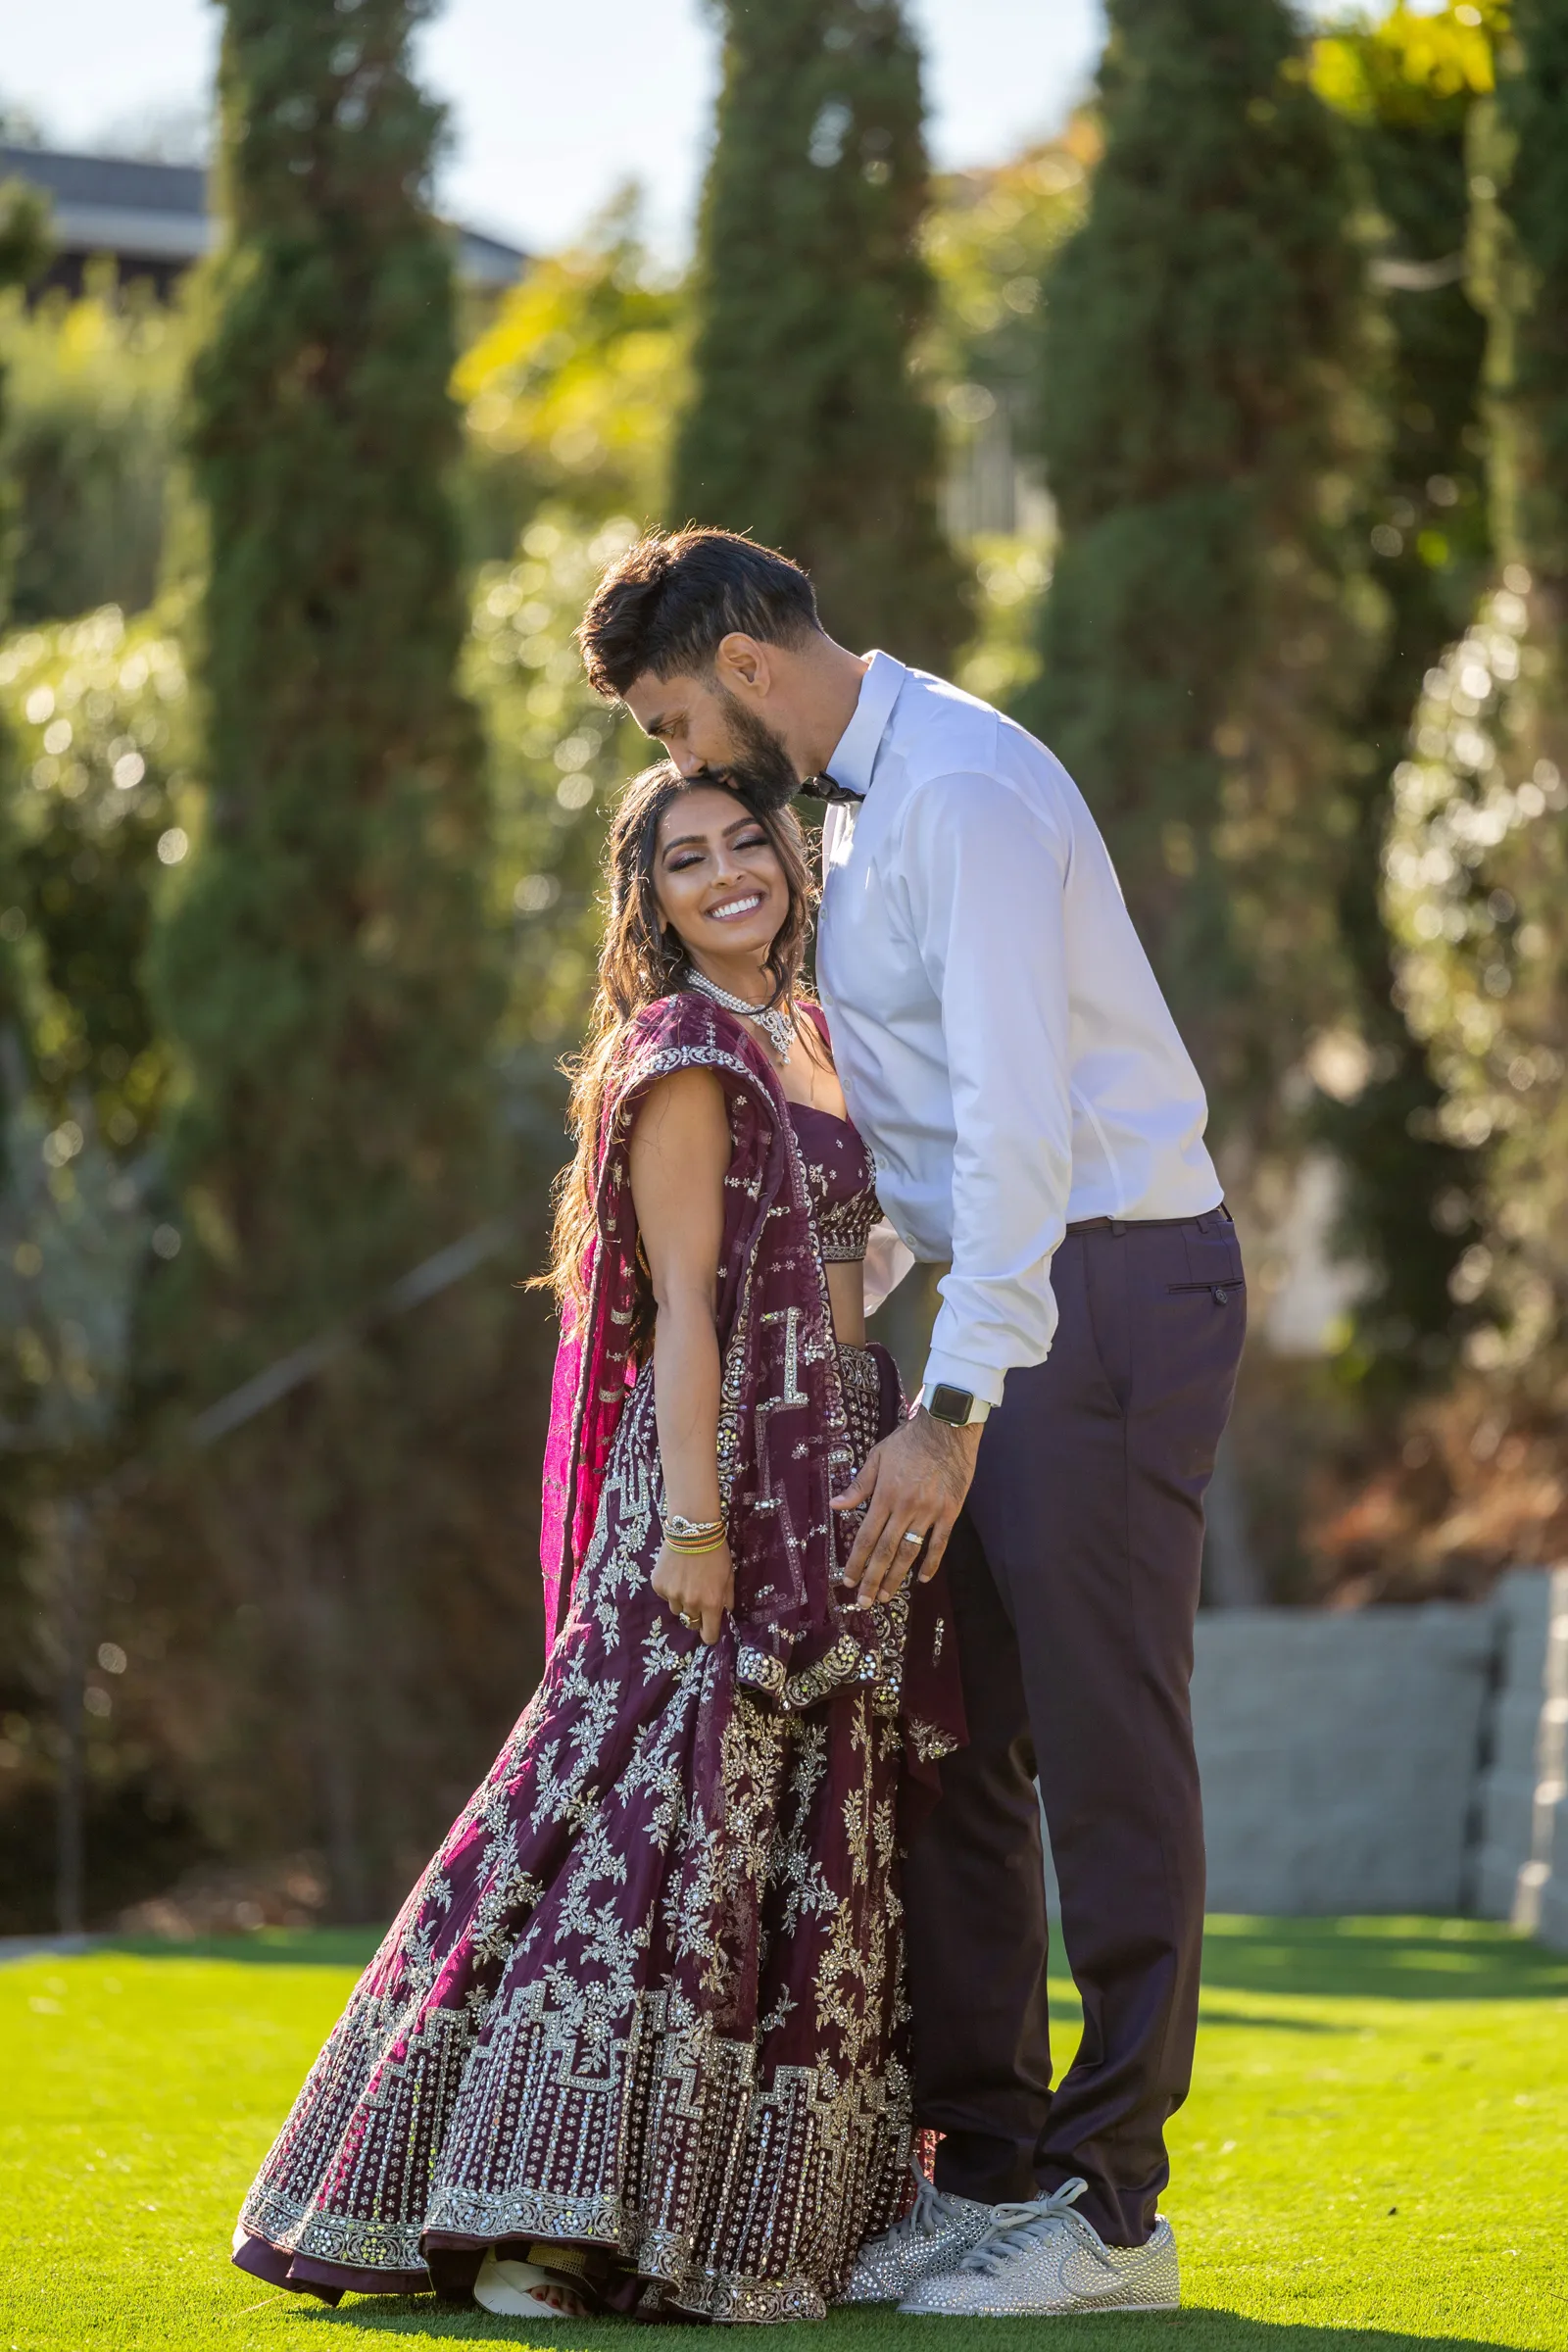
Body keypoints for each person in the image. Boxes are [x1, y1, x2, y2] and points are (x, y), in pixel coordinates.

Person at [576, 527, 1247, 2319]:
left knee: (1105, 1740)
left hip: (1100, 1290)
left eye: (668, 724)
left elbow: (1025, 1133)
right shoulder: (866, 810)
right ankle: (996, 2159)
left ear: (738, 663)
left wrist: (949, 1407)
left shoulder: (956, 795)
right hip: (1013, 1293)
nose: (680, 769)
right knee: (961, 1744)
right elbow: (930, 1163)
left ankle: (1115, 2214)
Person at [229, 760, 963, 2324]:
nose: (725, 877)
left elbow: (860, 1256)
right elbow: (683, 1309)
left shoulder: (818, 1030)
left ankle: (727, 2229)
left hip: (839, 1460)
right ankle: (527, 2221)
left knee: (785, 1830)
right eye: (685, 861)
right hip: (717, 1482)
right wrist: (693, 1523)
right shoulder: (688, 1048)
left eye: (742, 844)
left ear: (787, 854)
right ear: (652, 899)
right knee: (640, 1815)